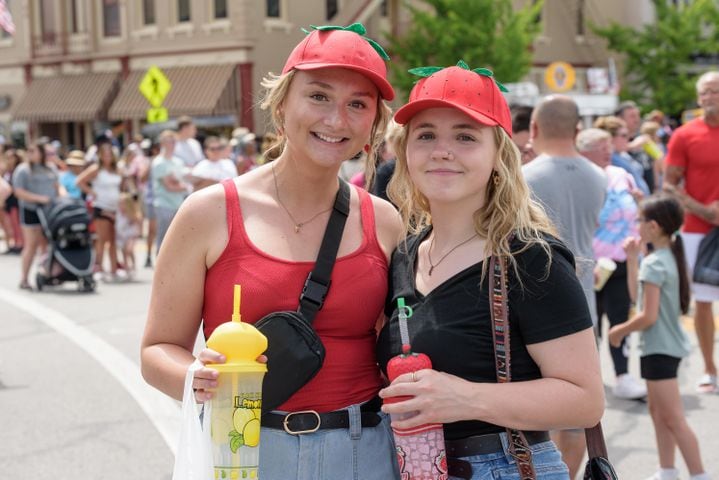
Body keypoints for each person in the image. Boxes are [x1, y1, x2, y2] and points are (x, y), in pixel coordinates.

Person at [140, 24, 402, 480]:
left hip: (365, 450)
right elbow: (158, 350)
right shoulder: (209, 212)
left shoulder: (384, 220)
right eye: (318, 96)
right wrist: (196, 376)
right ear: (281, 106)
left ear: (373, 126)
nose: (336, 119)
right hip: (242, 449)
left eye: (357, 104)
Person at [376, 63, 604, 480]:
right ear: (406, 153)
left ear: (498, 155)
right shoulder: (403, 256)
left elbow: (585, 400)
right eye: (426, 135)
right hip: (414, 465)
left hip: (504, 467)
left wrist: (465, 399)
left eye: (465, 136)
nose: (442, 150)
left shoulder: (531, 259)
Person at [522, 95, 607, 478]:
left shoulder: (525, 177)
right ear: (577, 130)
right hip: (584, 303)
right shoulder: (598, 175)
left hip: (532, 306)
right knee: (576, 417)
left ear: (534, 128)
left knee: (536, 413)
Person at [608, 195, 710, 480]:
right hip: (661, 347)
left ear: (652, 226)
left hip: (660, 349)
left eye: (640, 220)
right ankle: (667, 469)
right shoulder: (663, 258)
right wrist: (631, 260)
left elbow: (647, 316)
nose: (637, 225)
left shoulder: (656, 263)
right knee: (658, 412)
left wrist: (619, 331)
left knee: (674, 418)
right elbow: (638, 300)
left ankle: (698, 473)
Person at [577, 128, 648, 402]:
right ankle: (588, 382)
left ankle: (622, 376)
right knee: (588, 325)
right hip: (588, 263)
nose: (608, 150)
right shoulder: (581, 179)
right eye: (600, 145)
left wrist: (640, 205)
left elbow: (635, 209)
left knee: (620, 319)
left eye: (608, 144)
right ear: (583, 151)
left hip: (620, 260)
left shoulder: (620, 174)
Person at [664, 70, 719, 394]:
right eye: (706, 93)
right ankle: (709, 368)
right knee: (703, 301)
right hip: (698, 229)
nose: (710, 97)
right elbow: (670, 184)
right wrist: (704, 210)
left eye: (715, 91)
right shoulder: (685, 135)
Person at [12, 140, 60, 290]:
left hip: (50, 211)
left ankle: (47, 273)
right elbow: (18, 192)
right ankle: (24, 278)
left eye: (34, 151)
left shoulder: (50, 168)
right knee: (31, 245)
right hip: (31, 211)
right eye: (29, 151)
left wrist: (63, 198)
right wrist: (39, 198)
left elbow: (57, 187)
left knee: (50, 244)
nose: (30, 154)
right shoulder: (23, 170)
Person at [76, 140, 123, 282]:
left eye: (110, 154)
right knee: (102, 239)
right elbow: (79, 181)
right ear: (101, 156)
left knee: (114, 240)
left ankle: (114, 269)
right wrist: (92, 193)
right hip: (101, 207)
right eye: (105, 154)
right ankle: (100, 268)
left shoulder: (117, 169)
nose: (108, 157)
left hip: (116, 208)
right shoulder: (96, 169)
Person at [150, 130, 188, 252]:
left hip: (178, 204)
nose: (172, 144)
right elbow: (169, 186)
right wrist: (186, 186)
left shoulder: (178, 161)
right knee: (164, 238)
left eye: (173, 141)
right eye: (169, 141)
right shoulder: (159, 162)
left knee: (177, 239)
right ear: (162, 143)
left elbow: (179, 181)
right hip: (164, 204)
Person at [595, 115, 650, 196]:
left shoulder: (622, 154)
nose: (628, 138)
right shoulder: (608, 159)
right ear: (610, 138)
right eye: (623, 135)